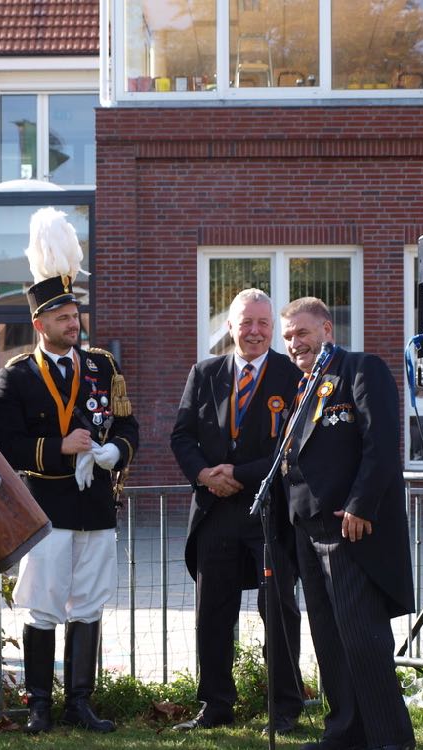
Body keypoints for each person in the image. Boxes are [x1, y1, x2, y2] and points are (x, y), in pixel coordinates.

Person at [0, 207, 138, 734]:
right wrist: (58, 447)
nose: (74, 324)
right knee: (42, 607)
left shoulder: (102, 366)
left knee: (89, 606)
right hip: (44, 508)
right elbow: (3, 444)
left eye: (75, 316)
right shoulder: (18, 376)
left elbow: (128, 426)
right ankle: (39, 706)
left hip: (95, 505)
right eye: (62, 318)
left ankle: (80, 702)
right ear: (39, 323)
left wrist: (113, 452)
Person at [278, 297, 415, 750]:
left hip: (348, 529)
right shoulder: (302, 387)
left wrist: (360, 506)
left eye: (302, 332)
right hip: (307, 529)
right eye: (289, 337)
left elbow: (381, 444)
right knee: (329, 639)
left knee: (364, 641)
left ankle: (390, 740)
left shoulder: (361, 369)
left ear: (327, 330)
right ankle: (344, 733)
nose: (294, 343)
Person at [170, 288, 304, 734]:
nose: (255, 331)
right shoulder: (204, 372)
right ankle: (214, 707)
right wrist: (206, 475)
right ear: (229, 326)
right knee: (212, 614)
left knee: (279, 611)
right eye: (246, 322)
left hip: (267, 512)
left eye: (264, 323)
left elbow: (294, 447)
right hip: (214, 511)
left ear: (274, 330)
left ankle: (284, 709)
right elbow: (182, 437)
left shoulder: (292, 376)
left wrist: (240, 473)